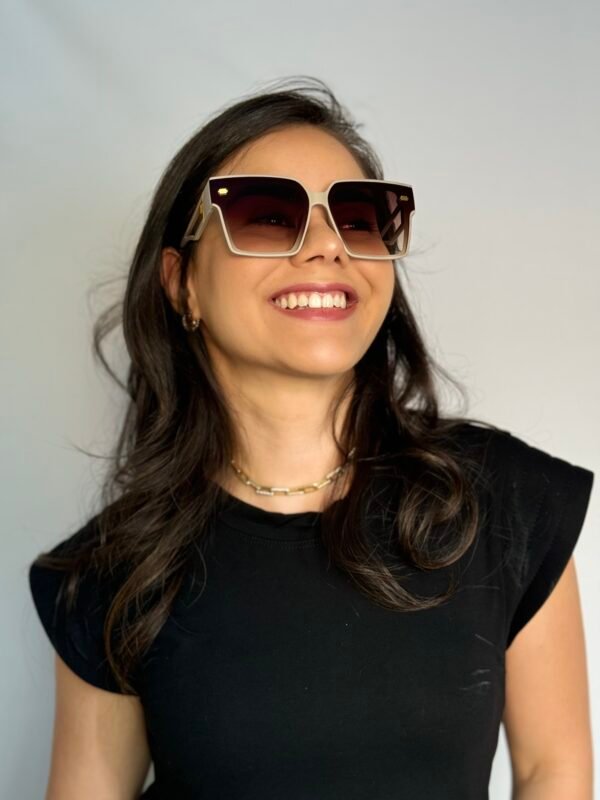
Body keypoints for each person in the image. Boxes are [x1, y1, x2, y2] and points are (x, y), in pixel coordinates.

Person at [28, 77, 595, 799]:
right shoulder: (111, 572)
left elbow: (554, 773)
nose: (329, 245)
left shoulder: (506, 502)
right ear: (181, 283)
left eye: (358, 219)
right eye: (268, 216)